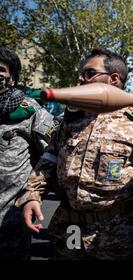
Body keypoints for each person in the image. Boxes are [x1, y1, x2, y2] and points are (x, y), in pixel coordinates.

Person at [16, 48, 133, 260]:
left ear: (114, 79)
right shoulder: (70, 122)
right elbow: (49, 159)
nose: (80, 78)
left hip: (116, 236)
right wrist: (32, 195)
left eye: (89, 73)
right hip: (69, 229)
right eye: (81, 73)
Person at [0, 46, 55, 260]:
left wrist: (34, 197)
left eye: (1, 70)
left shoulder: (30, 112)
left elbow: (54, 155)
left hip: (9, 223)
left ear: (12, 78)